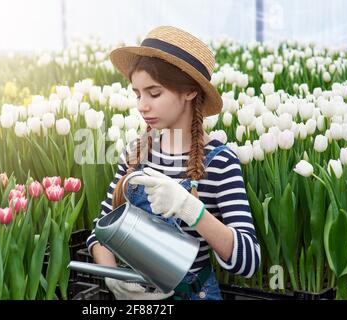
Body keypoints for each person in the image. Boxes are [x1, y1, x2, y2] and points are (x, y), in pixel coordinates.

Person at [85, 26, 261, 300]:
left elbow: (248, 261)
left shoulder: (219, 162)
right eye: (138, 94)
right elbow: (100, 230)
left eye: (154, 94)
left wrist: (192, 210)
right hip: (136, 295)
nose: (142, 106)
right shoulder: (136, 154)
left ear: (190, 91)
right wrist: (113, 276)